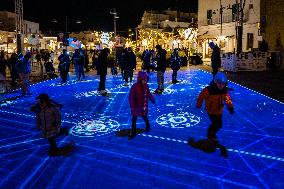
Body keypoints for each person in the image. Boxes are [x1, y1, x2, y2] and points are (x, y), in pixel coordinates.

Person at [196, 71, 234, 141]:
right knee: (215, 123)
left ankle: (212, 133)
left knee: (219, 125)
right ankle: (210, 134)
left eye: (223, 84)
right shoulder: (209, 90)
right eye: (219, 83)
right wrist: (199, 104)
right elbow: (201, 97)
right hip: (211, 110)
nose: (221, 85)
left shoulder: (224, 91)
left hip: (219, 110)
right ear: (215, 82)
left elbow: (227, 99)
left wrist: (230, 107)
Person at [128, 71, 155, 139]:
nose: (145, 82)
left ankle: (148, 127)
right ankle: (133, 132)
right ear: (140, 79)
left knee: (144, 117)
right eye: (144, 80)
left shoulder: (146, 86)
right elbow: (131, 98)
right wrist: (132, 106)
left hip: (143, 106)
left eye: (146, 80)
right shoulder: (134, 87)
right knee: (134, 119)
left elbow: (148, 94)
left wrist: (152, 100)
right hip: (136, 107)